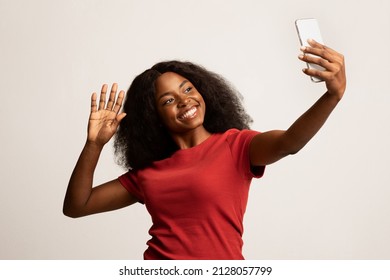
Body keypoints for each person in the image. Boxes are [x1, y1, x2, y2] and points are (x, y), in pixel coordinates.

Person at [63, 39, 346, 259]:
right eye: (168, 101)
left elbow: (290, 143)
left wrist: (332, 96)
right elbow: (77, 206)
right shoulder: (148, 173)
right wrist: (94, 144)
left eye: (187, 89)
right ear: (154, 116)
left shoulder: (237, 146)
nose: (184, 101)